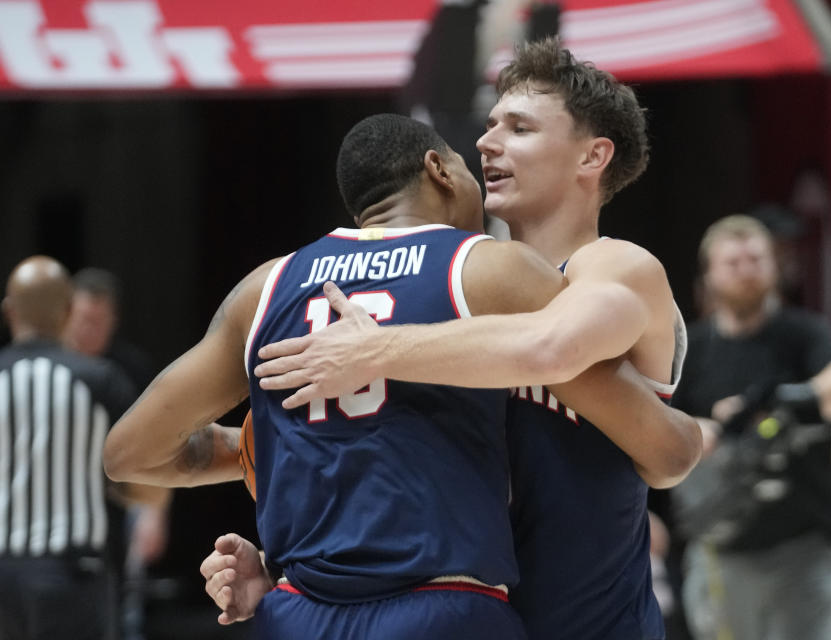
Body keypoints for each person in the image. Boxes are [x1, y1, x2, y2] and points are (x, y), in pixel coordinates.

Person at [104, 112, 698, 639]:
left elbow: (130, 452)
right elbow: (663, 443)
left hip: (297, 609)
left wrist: (265, 452)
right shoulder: (488, 269)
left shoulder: (267, 286)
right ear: (440, 170)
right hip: (444, 605)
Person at [670, 214, 831, 640]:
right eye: (733, 262)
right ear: (708, 275)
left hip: (803, 544)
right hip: (720, 546)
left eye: (756, 259)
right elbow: (653, 419)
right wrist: (699, 429)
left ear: (774, 267)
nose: (747, 269)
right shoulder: (691, 347)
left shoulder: (802, 332)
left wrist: (774, 402)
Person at [0, 256, 164, 640]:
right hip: (71, 574)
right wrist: (134, 497)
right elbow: (149, 469)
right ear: (69, 310)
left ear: (9, 312)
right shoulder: (98, 380)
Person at [62, 266, 168, 640]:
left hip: (119, 503)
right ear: (65, 315)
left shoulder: (130, 371)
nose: (89, 329)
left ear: (113, 320)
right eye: (82, 319)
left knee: (121, 608)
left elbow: (161, 444)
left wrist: (153, 512)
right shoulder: (46, 368)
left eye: (98, 321)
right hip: (53, 508)